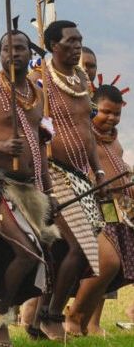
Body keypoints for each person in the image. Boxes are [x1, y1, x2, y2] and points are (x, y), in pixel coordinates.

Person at [0, 30, 56, 346]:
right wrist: (0, 145)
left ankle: (1, 320)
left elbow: (41, 145)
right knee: (26, 252)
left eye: (19, 48)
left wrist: (48, 189)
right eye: (6, 48)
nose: (12, 53)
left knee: (27, 254)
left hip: (30, 189)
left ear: (28, 52)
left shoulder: (36, 92)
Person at [36, 20, 105, 340]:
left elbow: (87, 132)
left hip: (83, 176)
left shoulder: (80, 80)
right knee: (80, 246)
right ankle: (51, 315)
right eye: (71, 41)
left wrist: (98, 170)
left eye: (80, 40)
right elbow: (33, 123)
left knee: (67, 252)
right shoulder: (41, 80)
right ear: (52, 46)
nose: (78, 46)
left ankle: (40, 315)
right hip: (54, 174)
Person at [67, 84, 133, 335]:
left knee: (112, 266)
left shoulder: (114, 141)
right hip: (91, 207)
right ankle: (73, 316)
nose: (112, 118)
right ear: (93, 108)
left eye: (117, 114)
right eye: (106, 112)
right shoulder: (82, 136)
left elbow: (121, 170)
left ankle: (84, 322)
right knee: (107, 262)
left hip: (120, 209)